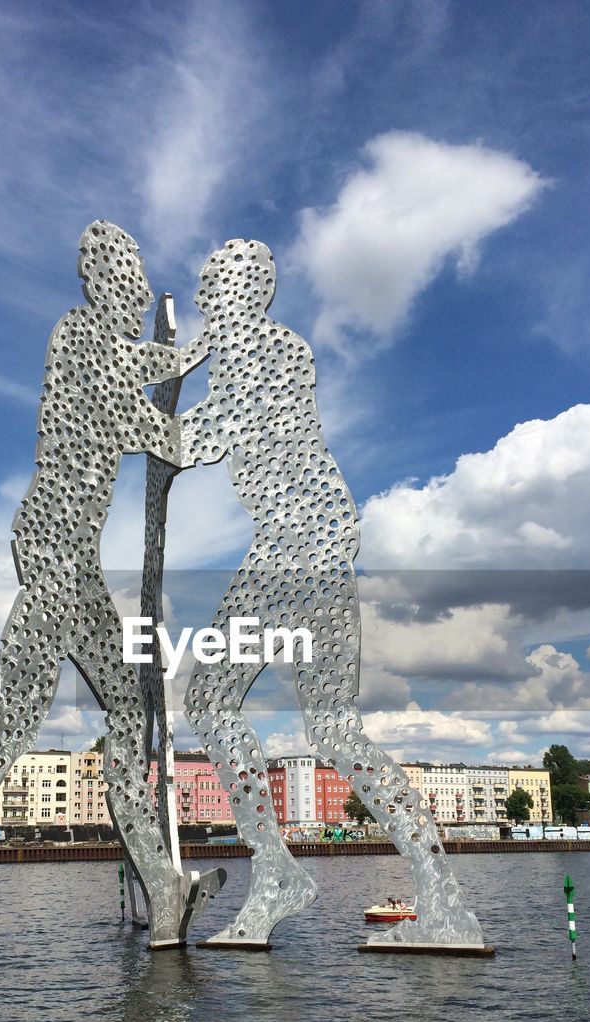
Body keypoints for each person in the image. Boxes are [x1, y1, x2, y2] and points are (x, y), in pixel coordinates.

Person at [0, 221, 208, 966]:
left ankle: (163, 893)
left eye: (143, 291)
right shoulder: (81, 337)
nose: (137, 297)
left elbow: (146, 369)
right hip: (54, 552)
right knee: (23, 718)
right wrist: (195, 422)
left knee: (123, 716)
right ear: (103, 284)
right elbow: (139, 413)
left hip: (73, 561)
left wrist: (184, 356)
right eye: (131, 287)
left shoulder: (107, 346)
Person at [177, 240, 482, 948]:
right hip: (311, 546)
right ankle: (434, 897)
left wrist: (127, 417)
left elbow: (199, 437)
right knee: (324, 730)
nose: (199, 302)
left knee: (218, 705)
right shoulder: (260, 350)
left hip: (295, 548)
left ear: (244, 292)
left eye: (209, 289)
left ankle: (288, 873)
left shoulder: (267, 351)